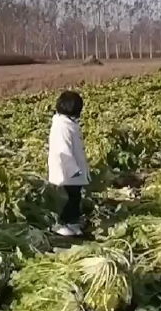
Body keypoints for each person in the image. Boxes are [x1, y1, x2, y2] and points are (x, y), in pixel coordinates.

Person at [48, 90, 89, 237]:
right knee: (69, 199)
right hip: (67, 171)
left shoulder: (68, 124)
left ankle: (72, 223)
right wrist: (73, 170)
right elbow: (63, 150)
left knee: (75, 196)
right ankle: (61, 224)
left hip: (72, 171)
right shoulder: (62, 126)